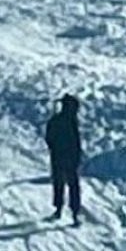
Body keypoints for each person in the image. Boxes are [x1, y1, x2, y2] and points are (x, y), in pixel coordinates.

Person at [44, 94, 83, 225]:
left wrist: (54, 149)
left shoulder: (55, 120)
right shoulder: (72, 121)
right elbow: (76, 141)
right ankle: (75, 213)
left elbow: (49, 138)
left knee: (59, 183)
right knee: (73, 186)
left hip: (57, 157)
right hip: (71, 158)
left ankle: (58, 209)